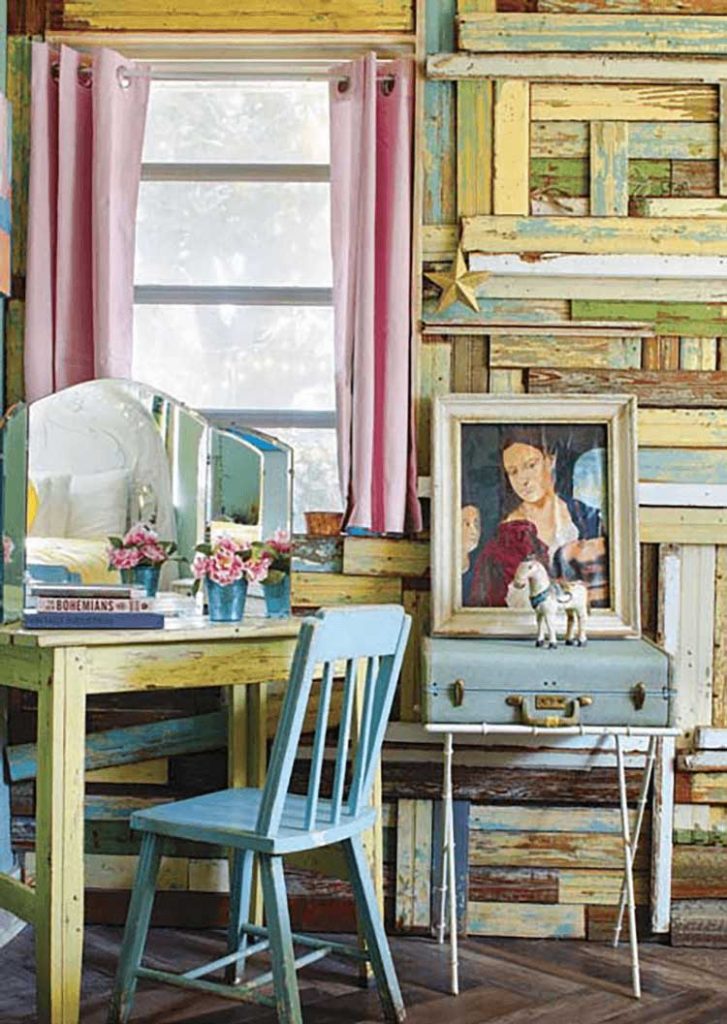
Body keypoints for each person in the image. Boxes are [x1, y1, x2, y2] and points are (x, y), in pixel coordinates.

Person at [466, 427, 607, 608]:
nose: (523, 480)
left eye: (531, 465)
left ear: (550, 460)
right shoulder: (504, 535)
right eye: (513, 472)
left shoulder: (587, 516)